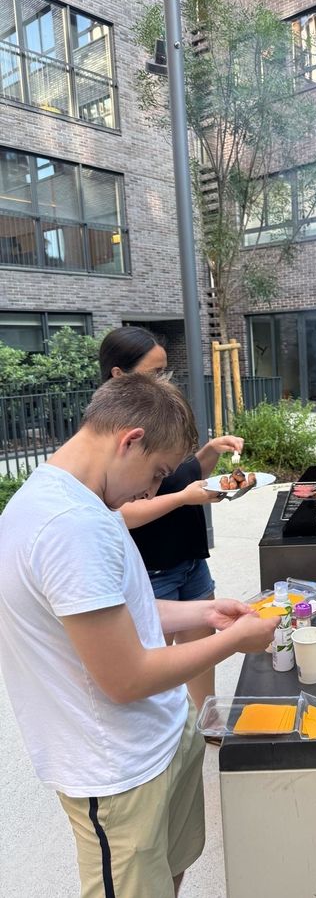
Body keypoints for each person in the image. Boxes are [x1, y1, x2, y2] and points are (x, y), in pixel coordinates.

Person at [0, 373, 279, 897]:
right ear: (129, 439)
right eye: (157, 474)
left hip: (163, 736)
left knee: (169, 875)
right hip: (115, 770)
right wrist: (234, 641)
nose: (152, 491)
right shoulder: (68, 525)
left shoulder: (84, 500)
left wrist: (206, 612)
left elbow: (121, 610)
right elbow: (125, 678)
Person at [99, 326, 240, 716]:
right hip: (153, 569)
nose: (162, 381)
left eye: (165, 372)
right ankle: (174, 729)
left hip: (189, 558)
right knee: (155, 666)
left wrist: (209, 451)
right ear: (118, 376)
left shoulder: (157, 422)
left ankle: (208, 720)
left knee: (199, 652)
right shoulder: (110, 434)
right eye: (153, 373)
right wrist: (181, 499)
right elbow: (118, 513)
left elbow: (183, 472)